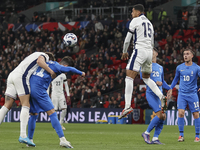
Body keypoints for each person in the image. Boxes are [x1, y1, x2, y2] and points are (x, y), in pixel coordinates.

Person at [119, 4, 166, 119]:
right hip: (149, 52)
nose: (131, 13)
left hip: (139, 50)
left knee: (129, 77)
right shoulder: (149, 23)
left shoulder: (135, 21)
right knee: (146, 78)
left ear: (137, 11)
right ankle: (161, 96)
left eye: (132, 11)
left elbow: (127, 39)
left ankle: (127, 106)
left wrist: (125, 51)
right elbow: (152, 41)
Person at [0, 52, 56, 146]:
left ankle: (23, 135)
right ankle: (23, 135)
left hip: (12, 75)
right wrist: (51, 71)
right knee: (26, 104)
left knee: (7, 105)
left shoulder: (32, 55)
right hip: (21, 77)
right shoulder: (44, 56)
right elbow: (40, 61)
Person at [28, 56, 85, 148]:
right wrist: (81, 73)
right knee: (53, 114)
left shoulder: (48, 62)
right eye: (65, 69)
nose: (65, 72)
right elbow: (70, 69)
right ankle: (62, 140)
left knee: (34, 114)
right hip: (39, 89)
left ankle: (29, 140)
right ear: (65, 65)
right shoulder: (58, 66)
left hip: (31, 88)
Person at [168, 48, 200, 142]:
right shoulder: (179, 67)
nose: (185, 55)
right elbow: (175, 79)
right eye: (184, 54)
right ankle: (181, 135)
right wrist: (170, 88)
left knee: (196, 114)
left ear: (192, 56)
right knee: (181, 113)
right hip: (182, 94)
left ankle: (197, 136)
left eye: (187, 54)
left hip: (193, 94)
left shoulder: (197, 68)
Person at [141, 48, 171, 144]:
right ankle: (146, 133)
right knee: (159, 114)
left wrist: (170, 88)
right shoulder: (146, 65)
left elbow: (162, 82)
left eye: (152, 51)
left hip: (160, 96)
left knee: (163, 117)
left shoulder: (160, 67)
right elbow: (143, 77)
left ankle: (155, 138)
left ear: (156, 54)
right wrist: (155, 82)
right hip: (151, 94)